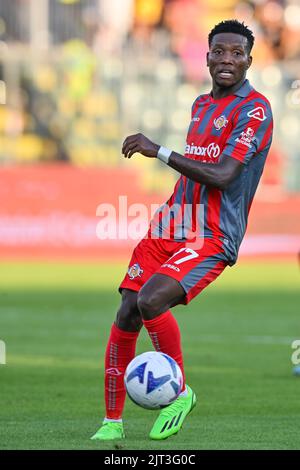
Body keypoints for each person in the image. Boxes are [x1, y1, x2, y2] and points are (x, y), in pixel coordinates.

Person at [91, 19, 273, 441]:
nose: (227, 59)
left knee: (153, 299)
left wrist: (159, 151)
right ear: (207, 56)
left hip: (212, 234)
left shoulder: (255, 109)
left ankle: (180, 393)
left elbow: (225, 174)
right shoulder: (200, 104)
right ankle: (111, 420)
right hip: (172, 223)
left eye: (237, 53)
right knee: (128, 310)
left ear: (250, 59)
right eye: (219, 51)